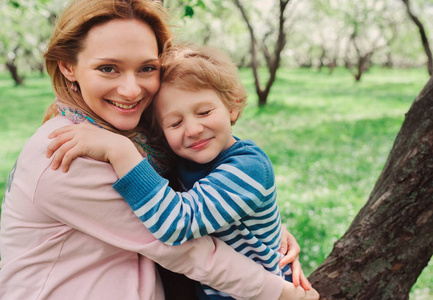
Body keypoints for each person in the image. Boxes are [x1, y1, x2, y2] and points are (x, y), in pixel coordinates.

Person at [0, 0, 318, 299]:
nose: (131, 89)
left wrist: (264, 225)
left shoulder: (136, 136)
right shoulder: (68, 153)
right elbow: (181, 245)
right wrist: (283, 292)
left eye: (147, 68)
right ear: (68, 67)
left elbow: (193, 191)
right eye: (108, 68)